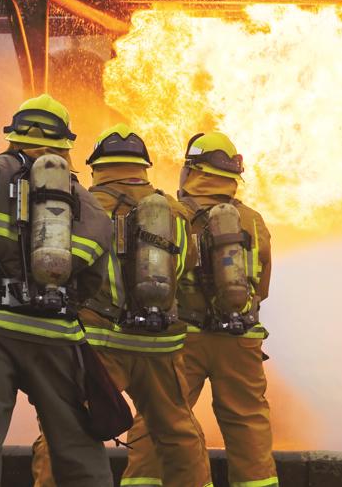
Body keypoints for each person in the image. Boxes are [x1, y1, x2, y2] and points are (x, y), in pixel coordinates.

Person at [0, 94, 114, 487]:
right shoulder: (85, 202)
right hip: (55, 336)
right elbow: (94, 278)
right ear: (66, 144)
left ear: (13, 135)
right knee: (79, 449)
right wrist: (61, 300)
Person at [30, 123, 212, 487]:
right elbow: (185, 266)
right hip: (157, 344)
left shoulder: (79, 204)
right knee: (177, 433)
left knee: (67, 429)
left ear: (97, 166)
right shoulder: (175, 212)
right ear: (143, 167)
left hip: (96, 344)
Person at [122, 132, 278, 487]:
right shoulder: (253, 221)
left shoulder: (172, 213)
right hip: (241, 337)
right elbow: (263, 287)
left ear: (191, 171)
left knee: (161, 417)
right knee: (248, 422)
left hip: (183, 339)